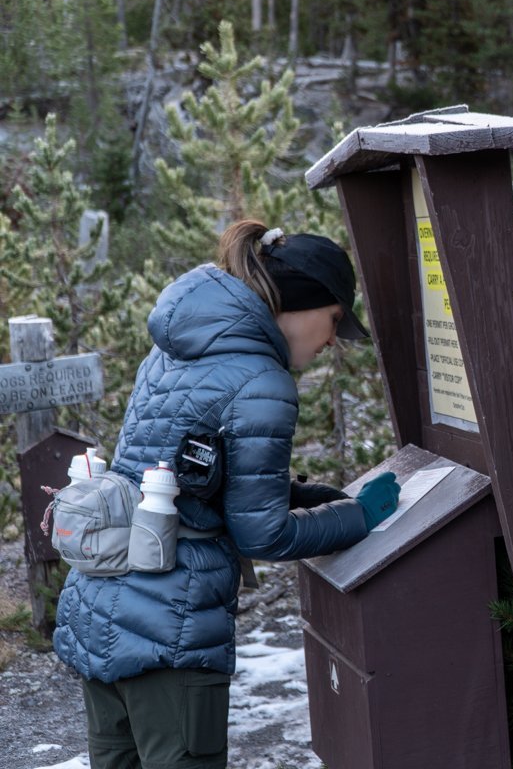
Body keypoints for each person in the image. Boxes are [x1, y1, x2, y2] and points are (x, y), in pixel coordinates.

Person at [53, 219, 400, 768]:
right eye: (334, 319)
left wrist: (307, 497)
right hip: (171, 625)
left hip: (102, 607)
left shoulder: (179, 345)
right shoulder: (262, 378)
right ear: (301, 303)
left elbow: (190, 477)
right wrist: (358, 518)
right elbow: (260, 533)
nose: (333, 339)